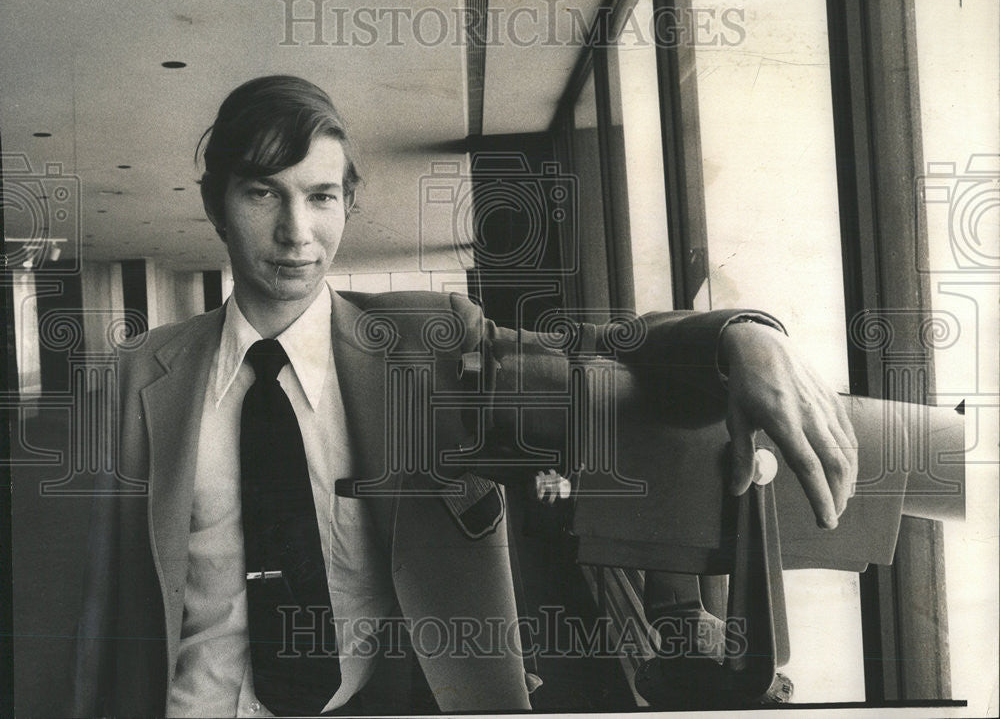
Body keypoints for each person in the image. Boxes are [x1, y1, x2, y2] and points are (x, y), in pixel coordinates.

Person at [72, 75, 857, 717]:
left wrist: (740, 336)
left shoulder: (428, 345)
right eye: (262, 195)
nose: (295, 234)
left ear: (349, 203)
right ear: (215, 204)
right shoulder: (142, 376)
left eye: (319, 197)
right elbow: (105, 607)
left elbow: (601, 354)